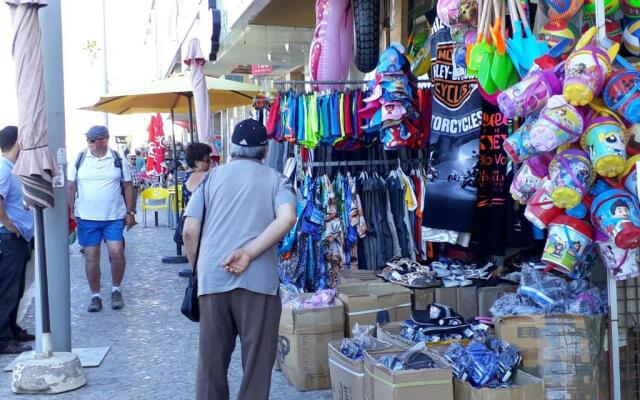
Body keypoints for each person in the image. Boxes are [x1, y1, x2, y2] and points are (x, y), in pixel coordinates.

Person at [183, 119, 296, 400]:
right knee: (257, 366)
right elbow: (288, 218)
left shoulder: (210, 178)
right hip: (258, 283)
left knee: (210, 364)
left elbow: (189, 230)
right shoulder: (276, 180)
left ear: (230, 149)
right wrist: (249, 253)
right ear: (265, 151)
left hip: (213, 278)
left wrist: (198, 268)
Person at [67, 126, 137, 312]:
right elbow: (71, 186)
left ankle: (116, 289)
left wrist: (130, 212)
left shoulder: (117, 158)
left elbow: (129, 186)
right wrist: (71, 211)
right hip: (87, 217)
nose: (89, 143)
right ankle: (95, 295)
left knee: (116, 252)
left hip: (114, 216)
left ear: (104, 140)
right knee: (91, 256)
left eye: (92, 140)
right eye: (88, 140)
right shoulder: (80, 158)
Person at [0, 126, 34, 355]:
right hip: (9, 237)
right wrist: (11, 225)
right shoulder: (4, 169)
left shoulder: (11, 168)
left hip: (16, 238)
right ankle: (3, 338)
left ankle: (11, 328)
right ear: (19, 143)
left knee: (16, 288)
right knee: (8, 290)